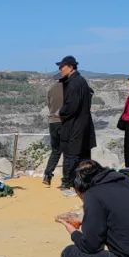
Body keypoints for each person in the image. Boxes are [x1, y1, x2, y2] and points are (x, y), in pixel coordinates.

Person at [56, 55, 96, 189]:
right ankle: (85, 181)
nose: (60, 69)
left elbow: (71, 106)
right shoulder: (81, 81)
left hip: (74, 126)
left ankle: (68, 182)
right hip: (83, 124)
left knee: (71, 154)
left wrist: (61, 113)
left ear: (71, 67)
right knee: (84, 155)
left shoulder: (74, 84)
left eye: (62, 66)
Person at [42, 79, 64, 187]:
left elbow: (49, 105)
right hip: (65, 122)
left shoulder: (51, 89)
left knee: (55, 151)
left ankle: (47, 175)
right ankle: (68, 180)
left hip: (53, 122)